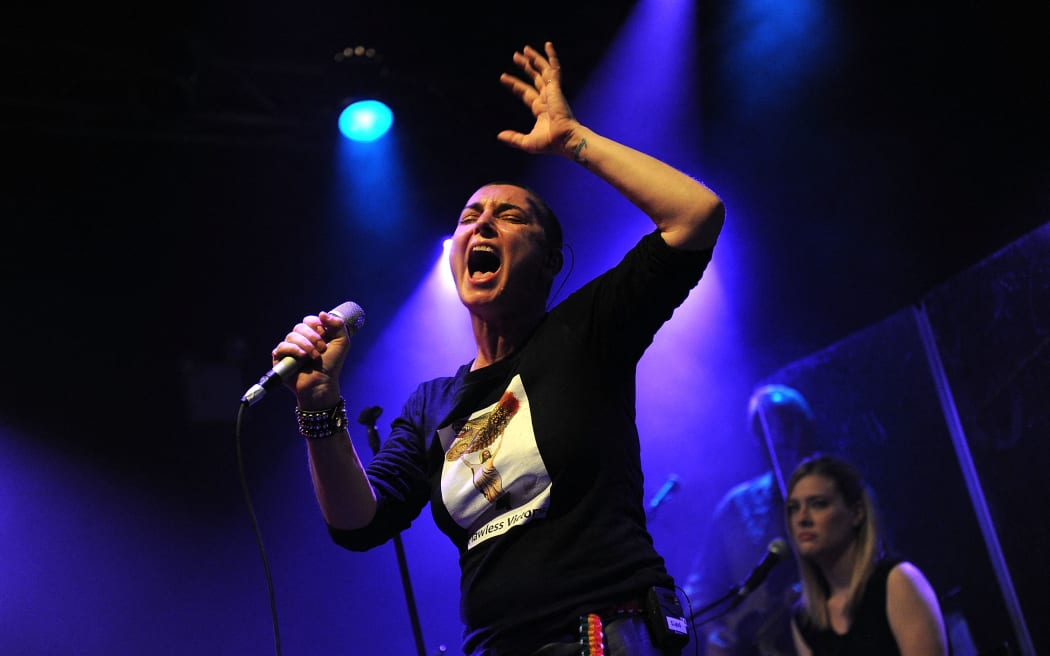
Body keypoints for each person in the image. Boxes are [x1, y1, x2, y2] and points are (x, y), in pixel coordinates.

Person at [267, 41, 725, 656]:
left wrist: (570, 140)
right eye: (469, 217)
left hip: (605, 633)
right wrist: (318, 405)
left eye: (510, 217)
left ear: (548, 262)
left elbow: (695, 216)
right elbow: (357, 522)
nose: (481, 225)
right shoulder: (433, 405)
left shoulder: (586, 330)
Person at [682, 384, 816, 656]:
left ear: (802, 429)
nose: (777, 436)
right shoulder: (736, 505)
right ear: (758, 438)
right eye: (768, 429)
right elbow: (702, 583)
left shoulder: (835, 492)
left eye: (787, 424)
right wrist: (714, 631)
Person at [785, 454, 948, 656]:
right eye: (793, 508)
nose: (801, 518)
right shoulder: (805, 619)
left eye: (818, 504)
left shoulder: (897, 582)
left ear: (856, 513)